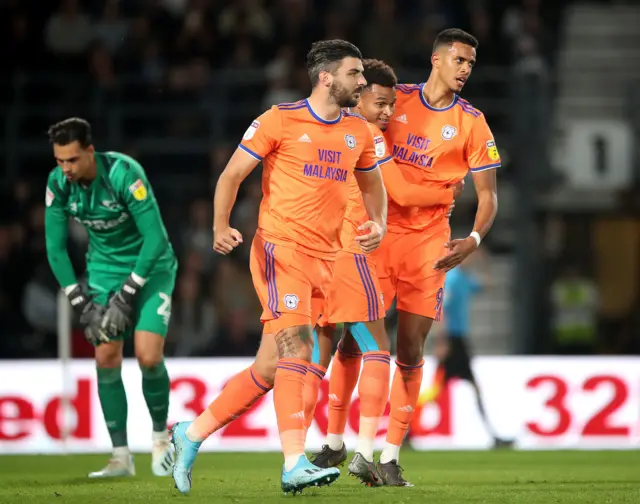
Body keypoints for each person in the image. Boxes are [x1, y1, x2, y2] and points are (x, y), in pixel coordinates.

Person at [170, 39, 388, 495]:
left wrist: (379, 225)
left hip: (326, 259)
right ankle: (294, 464)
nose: (362, 82)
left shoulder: (358, 132)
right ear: (326, 77)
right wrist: (219, 226)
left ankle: (189, 435)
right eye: (354, 73)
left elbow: (372, 185)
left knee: (269, 369)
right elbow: (231, 175)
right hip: (279, 250)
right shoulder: (279, 119)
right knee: (298, 350)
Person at [324, 28, 501, 487]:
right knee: (354, 341)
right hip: (375, 234)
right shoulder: (392, 99)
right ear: (436, 59)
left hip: (429, 246)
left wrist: (475, 238)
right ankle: (333, 439)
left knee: (410, 349)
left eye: (471, 63)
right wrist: (443, 190)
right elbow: (385, 174)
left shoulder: (472, 123)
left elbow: (488, 196)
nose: (465, 69)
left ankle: (389, 454)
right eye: (459, 60)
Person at [305, 59, 464, 486]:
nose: (389, 113)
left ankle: (333, 444)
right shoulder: (365, 134)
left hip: (331, 250)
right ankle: (358, 451)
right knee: (369, 350)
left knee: (336, 349)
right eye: (381, 103)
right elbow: (402, 191)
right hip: (352, 255)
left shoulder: (332, 130)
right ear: (358, 97)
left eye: (393, 105)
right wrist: (449, 186)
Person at [44, 117, 177, 478]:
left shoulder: (123, 173)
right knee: (105, 356)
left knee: (149, 355)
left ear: (90, 151)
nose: (65, 169)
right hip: (103, 272)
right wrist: (78, 301)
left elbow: (154, 237)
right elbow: (55, 250)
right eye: (59, 161)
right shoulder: (58, 184)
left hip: (151, 268)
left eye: (72, 160)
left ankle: (162, 438)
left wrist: (128, 294)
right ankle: (121, 457)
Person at [417, 249, 513, 448]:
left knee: (461, 388)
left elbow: (487, 284)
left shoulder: (465, 279)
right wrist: (442, 342)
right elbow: (441, 310)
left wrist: (485, 263)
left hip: (460, 342)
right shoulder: (451, 280)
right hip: (451, 342)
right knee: (435, 391)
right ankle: (405, 430)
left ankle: (493, 435)